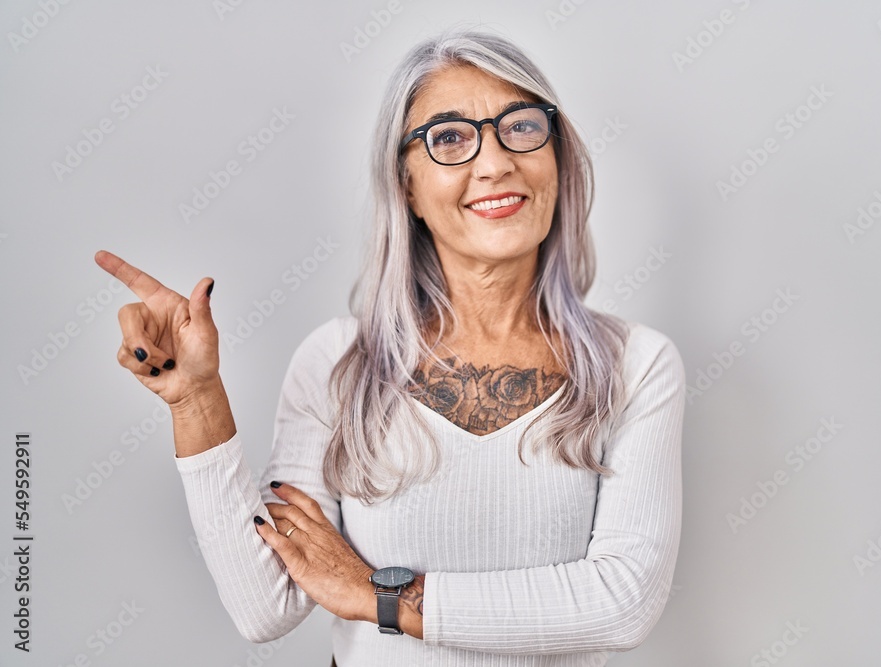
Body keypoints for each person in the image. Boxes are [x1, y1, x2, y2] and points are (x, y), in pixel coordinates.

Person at [95, 27, 685, 667]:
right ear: (405, 185)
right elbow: (265, 607)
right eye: (451, 138)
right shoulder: (336, 365)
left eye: (521, 126)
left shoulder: (636, 365)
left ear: (558, 157)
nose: (495, 163)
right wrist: (195, 399)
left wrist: (381, 599)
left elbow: (623, 602)